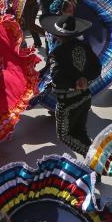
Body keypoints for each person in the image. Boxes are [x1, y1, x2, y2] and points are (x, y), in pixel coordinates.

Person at [41, 14, 102, 153]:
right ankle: (94, 156)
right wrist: (85, 80)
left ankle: (92, 159)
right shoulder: (85, 46)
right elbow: (97, 68)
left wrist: (75, 83)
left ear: (57, 35)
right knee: (80, 132)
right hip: (85, 97)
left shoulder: (57, 53)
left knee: (65, 136)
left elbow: (57, 79)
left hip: (67, 102)